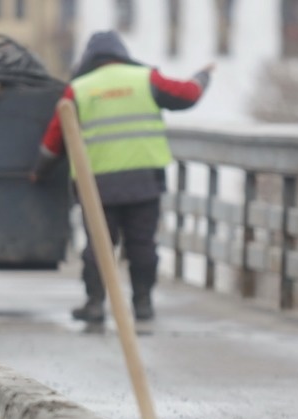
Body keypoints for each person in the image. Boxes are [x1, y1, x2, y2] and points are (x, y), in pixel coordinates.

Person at [31, 31, 212, 322]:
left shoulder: (79, 89)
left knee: (100, 245)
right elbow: (188, 94)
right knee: (142, 243)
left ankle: (94, 304)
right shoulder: (145, 78)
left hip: (97, 184)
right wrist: (203, 76)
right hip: (144, 180)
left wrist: (39, 171)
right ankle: (143, 303)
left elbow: (55, 138)